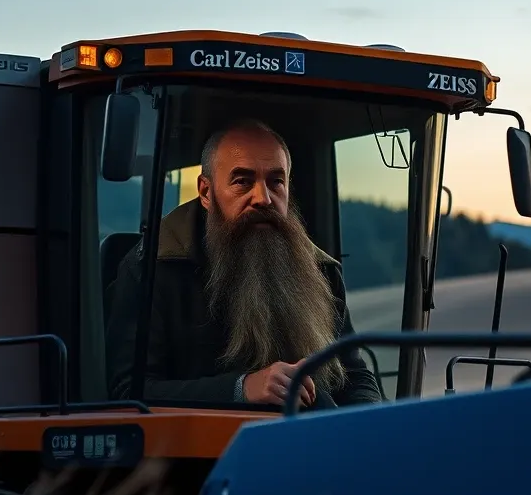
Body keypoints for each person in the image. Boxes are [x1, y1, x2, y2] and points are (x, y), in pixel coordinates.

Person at [104, 118, 385, 409]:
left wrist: (371, 425)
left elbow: (354, 376)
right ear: (205, 192)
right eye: (243, 182)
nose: (263, 198)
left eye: (276, 182)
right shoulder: (154, 269)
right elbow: (129, 391)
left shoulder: (320, 272)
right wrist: (240, 389)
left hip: (309, 443)